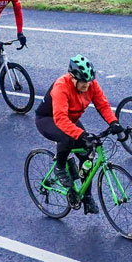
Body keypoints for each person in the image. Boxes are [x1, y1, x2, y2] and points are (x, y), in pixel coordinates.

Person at [35, 55, 122, 212]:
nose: (87, 85)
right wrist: (81, 135)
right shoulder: (61, 86)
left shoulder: (91, 84)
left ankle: (86, 196)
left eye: (89, 81)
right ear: (73, 77)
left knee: (87, 154)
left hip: (69, 120)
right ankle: (60, 167)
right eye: (83, 81)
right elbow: (60, 119)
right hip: (48, 119)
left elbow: (103, 105)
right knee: (67, 138)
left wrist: (114, 123)